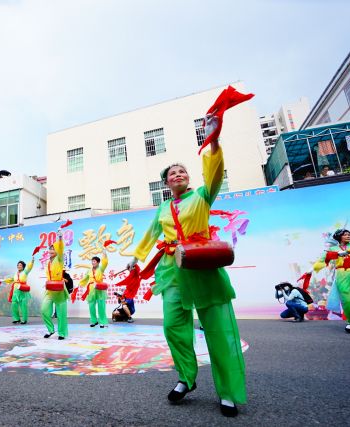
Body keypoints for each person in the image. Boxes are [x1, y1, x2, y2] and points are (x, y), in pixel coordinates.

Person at [127, 115, 245, 417]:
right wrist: (137, 257)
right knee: (172, 327)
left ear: (188, 178)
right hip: (172, 271)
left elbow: (215, 175)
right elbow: (152, 233)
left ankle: (228, 392)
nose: (177, 175)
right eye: (172, 174)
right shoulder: (163, 208)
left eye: (182, 171)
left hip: (201, 267)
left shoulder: (203, 197)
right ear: (166, 184)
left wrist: (214, 142)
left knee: (217, 329)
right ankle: (186, 378)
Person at [41, 230, 69, 340]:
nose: (51, 250)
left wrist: (60, 238)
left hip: (59, 290)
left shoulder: (59, 259)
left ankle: (62, 333)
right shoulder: (48, 262)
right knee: (44, 310)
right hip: (49, 290)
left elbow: (61, 249)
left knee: (61, 314)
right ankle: (50, 330)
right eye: (50, 249)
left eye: (53, 249)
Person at [79, 249, 109, 328]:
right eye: (92, 261)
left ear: (98, 262)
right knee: (91, 306)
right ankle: (93, 321)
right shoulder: (89, 270)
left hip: (99, 288)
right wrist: (79, 285)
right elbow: (85, 279)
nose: (93, 263)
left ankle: (102, 322)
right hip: (91, 289)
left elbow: (105, 263)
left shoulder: (101, 269)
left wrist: (104, 254)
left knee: (101, 306)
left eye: (94, 261)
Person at [2, 257, 34, 325]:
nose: (19, 266)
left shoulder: (25, 272)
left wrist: (32, 261)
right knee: (14, 305)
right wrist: (4, 280)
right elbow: (12, 279)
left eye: (20, 265)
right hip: (15, 291)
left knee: (23, 306)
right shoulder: (15, 273)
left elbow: (29, 267)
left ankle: (24, 319)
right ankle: (16, 319)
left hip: (22, 290)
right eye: (18, 265)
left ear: (23, 266)